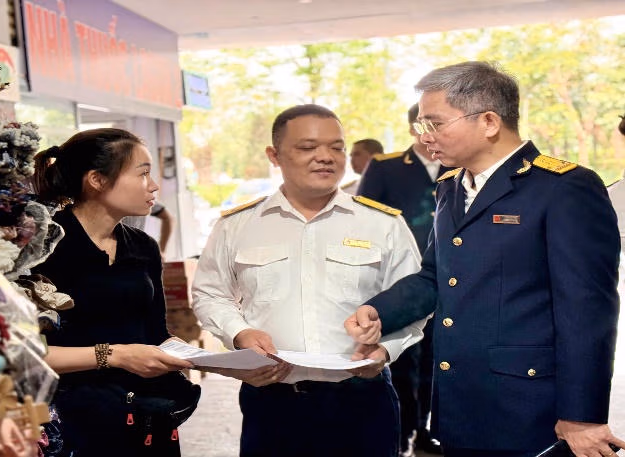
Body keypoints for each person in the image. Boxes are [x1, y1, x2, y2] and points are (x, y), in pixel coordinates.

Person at [344, 61, 625, 457]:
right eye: (422, 125)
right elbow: (435, 276)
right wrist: (380, 311)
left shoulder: (563, 188)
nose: (425, 136)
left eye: (435, 123)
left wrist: (582, 416)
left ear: (489, 121)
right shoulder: (450, 187)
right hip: (461, 403)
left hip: (529, 408)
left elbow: (587, 309)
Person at [191, 104, 428, 457]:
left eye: (337, 147)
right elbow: (210, 294)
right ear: (274, 155)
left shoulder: (382, 224)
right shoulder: (237, 226)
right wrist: (239, 333)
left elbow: (414, 300)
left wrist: (386, 349)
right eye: (307, 147)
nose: (325, 157)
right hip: (272, 400)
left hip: (362, 400)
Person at [32, 128, 195, 457]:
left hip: (144, 414)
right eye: (143, 173)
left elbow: (156, 333)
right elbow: (25, 352)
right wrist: (115, 355)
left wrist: (217, 362)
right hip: (70, 420)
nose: (153, 185)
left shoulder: (143, 246)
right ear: (97, 179)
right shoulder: (42, 247)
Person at [358, 103, 449, 456]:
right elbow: (365, 222)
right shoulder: (386, 167)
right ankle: (400, 433)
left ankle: (424, 429)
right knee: (399, 360)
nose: (433, 133)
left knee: (435, 362)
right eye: (426, 125)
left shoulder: (459, 164)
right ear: (413, 128)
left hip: (448, 281)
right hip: (398, 284)